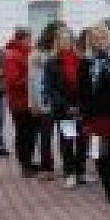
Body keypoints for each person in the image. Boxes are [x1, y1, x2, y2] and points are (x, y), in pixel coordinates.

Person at [78, 25, 110, 203]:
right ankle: (109, 188)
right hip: (96, 115)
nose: (101, 41)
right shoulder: (85, 63)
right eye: (97, 38)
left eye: (104, 37)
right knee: (100, 152)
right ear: (91, 41)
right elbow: (83, 93)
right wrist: (86, 119)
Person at [44, 25, 87, 188]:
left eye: (68, 40)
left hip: (81, 107)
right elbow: (50, 88)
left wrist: (80, 105)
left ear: (72, 41)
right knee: (68, 141)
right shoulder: (51, 63)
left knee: (83, 140)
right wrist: (66, 105)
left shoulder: (81, 60)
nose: (65, 43)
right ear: (57, 42)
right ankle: (69, 173)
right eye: (62, 40)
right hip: (64, 109)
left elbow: (86, 85)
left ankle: (81, 172)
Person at [29, 22, 63, 181]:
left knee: (65, 134)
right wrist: (34, 102)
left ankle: (69, 166)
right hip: (45, 101)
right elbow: (33, 80)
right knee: (46, 136)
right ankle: (46, 167)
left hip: (61, 101)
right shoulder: (37, 54)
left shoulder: (63, 52)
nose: (62, 36)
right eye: (59, 33)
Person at [4, 27, 38, 177]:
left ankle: (29, 162)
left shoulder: (28, 53)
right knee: (23, 133)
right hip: (19, 102)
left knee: (31, 133)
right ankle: (25, 165)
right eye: (29, 38)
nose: (31, 41)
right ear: (22, 39)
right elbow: (12, 81)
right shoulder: (13, 55)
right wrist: (30, 79)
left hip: (30, 101)